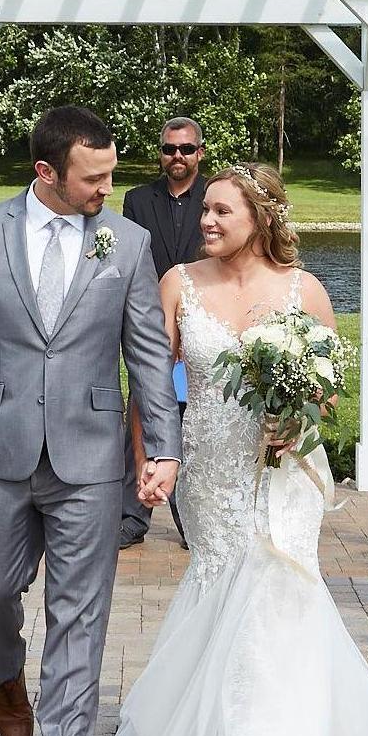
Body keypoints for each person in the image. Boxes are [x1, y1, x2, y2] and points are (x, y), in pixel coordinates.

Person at [109, 163, 368, 736]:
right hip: (210, 468)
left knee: (278, 578)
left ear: (261, 218)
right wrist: (147, 458)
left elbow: (328, 391)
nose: (207, 221)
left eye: (222, 211)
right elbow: (151, 384)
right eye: (205, 210)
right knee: (223, 574)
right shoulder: (178, 283)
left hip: (287, 468)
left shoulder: (304, 291)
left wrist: (298, 417)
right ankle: (217, 726)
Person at [0, 106, 182, 736]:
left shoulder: (127, 242)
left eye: (111, 174)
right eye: (93, 178)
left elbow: (148, 353)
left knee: (80, 606)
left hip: (89, 454)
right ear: (45, 171)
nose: (107, 188)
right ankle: (5, 677)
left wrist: (162, 447)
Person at [119, 117, 207, 550]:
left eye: (186, 149)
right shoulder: (138, 200)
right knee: (142, 410)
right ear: (161, 153)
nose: (178, 156)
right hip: (149, 323)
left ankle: (191, 518)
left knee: (195, 420)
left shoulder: (214, 198)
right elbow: (129, 261)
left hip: (203, 321)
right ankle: (132, 515)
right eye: (170, 148)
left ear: (199, 153)